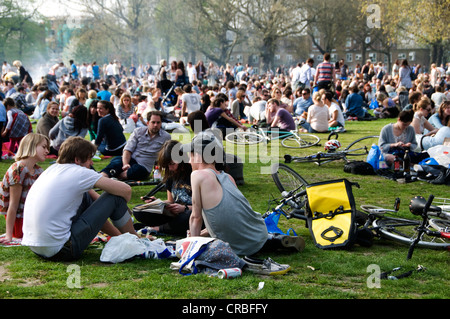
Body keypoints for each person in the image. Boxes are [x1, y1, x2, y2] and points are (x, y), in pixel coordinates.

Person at [183, 131, 303, 271]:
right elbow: (228, 215)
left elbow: (195, 218)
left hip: (235, 246)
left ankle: (264, 246)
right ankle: (272, 240)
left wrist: (193, 246)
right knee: (245, 233)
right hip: (258, 233)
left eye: (190, 156)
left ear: (197, 155)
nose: (189, 161)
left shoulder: (197, 175)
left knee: (204, 248)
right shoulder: (228, 177)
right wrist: (203, 233)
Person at [21, 136, 137, 261]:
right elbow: (126, 190)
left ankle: (122, 238)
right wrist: (120, 207)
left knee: (88, 196)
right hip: (62, 249)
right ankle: (135, 241)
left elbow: (96, 206)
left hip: (36, 247)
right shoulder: (79, 172)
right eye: (89, 159)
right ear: (77, 160)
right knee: (115, 196)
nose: (92, 163)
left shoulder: (51, 170)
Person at [133, 140, 193, 236]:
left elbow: (205, 209)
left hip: (190, 212)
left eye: (172, 164)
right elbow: (171, 201)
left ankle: (157, 228)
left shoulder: (193, 173)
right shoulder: (170, 175)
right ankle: (167, 227)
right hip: (174, 214)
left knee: (187, 217)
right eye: (166, 165)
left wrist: (184, 208)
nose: (170, 168)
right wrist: (157, 203)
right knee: (138, 210)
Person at [0, 133, 49, 244]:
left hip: (30, 214)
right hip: (18, 220)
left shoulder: (38, 170)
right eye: (43, 147)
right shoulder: (18, 169)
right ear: (31, 146)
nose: (47, 151)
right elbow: (13, 205)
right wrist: (9, 236)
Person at [100, 111, 171, 181]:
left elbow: (166, 156)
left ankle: (113, 177)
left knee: (137, 170)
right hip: (130, 160)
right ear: (148, 123)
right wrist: (125, 164)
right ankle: (101, 177)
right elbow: (127, 149)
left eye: (158, 122)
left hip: (144, 166)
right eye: (153, 122)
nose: (156, 125)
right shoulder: (138, 132)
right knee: (117, 161)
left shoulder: (166, 137)